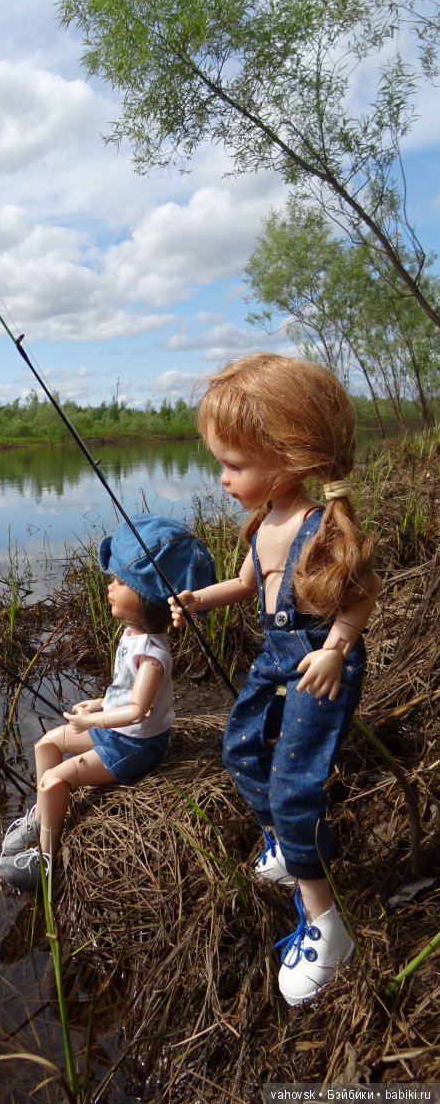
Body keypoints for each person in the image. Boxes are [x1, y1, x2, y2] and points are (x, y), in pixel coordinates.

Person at [169, 352, 379, 1007]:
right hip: (276, 656)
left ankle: (326, 924)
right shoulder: (263, 523)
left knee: (293, 782)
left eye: (234, 464)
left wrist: (337, 649)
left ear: (288, 458)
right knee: (240, 748)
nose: (223, 477)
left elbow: (360, 596)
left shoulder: (321, 525)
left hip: (319, 662)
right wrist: (203, 598)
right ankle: (294, 841)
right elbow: (249, 582)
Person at [0, 514, 217, 893]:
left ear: (148, 597)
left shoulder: (152, 654)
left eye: (120, 582)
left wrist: (92, 723)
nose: (110, 587)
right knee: (45, 744)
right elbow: (122, 693)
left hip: (135, 744)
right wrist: (97, 704)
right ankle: (40, 816)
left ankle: (45, 859)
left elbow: (137, 711)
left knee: (54, 779)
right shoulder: (131, 634)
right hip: (114, 731)